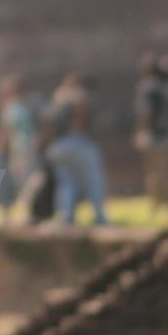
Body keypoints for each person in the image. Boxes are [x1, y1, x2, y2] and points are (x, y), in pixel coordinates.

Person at [43, 74, 109, 226]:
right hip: (77, 141)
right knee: (93, 179)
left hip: (57, 146)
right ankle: (100, 216)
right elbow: (80, 114)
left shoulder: (57, 96)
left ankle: (66, 216)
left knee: (66, 183)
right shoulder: (76, 96)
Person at [133, 53, 168, 219]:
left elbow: (145, 113)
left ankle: (165, 205)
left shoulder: (148, 87)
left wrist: (141, 132)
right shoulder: (166, 86)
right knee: (163, 171)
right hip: (166, 135)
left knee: (155, 173)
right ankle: (161, 205)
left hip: (153, 135)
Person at [0, 76, 42, 226]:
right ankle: (23, 214)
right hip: (20, 148)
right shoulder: (13, 108)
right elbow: (8, 132)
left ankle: (27, 212)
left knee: (31, 180)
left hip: (26, 147)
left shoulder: (22, 106)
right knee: (25, 181)